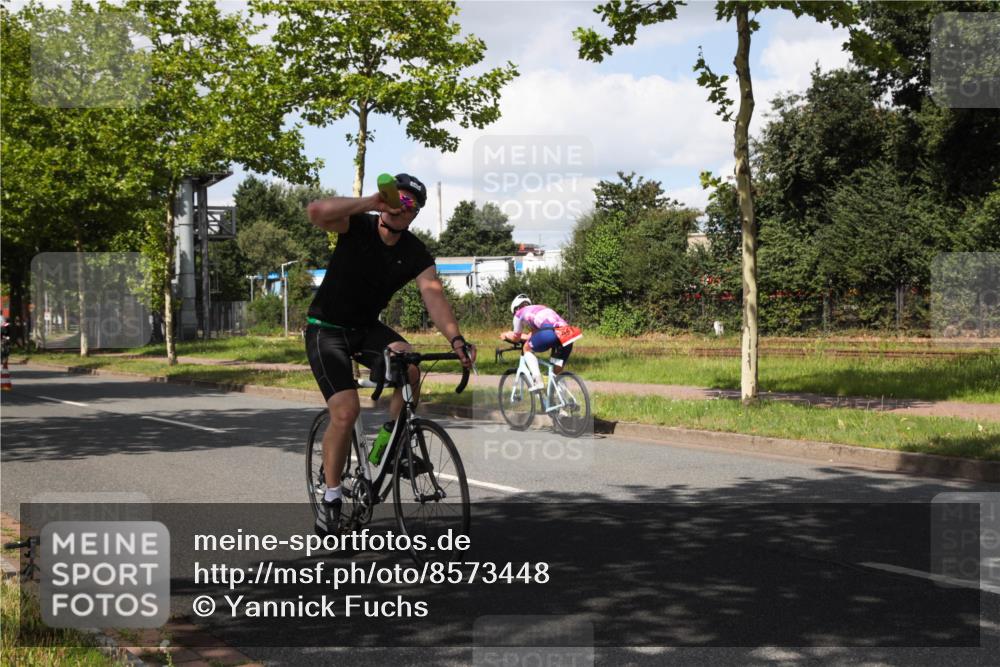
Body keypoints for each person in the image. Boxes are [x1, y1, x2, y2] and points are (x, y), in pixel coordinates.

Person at [305, 173, 476, 537]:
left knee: (411, 366)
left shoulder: (414, 251)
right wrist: (370, 202)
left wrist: (456, 339)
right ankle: (332, 498)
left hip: (366, 328)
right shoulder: (357, 225)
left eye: (409, 204)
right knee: (346, 411)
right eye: (394, 198)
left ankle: (388, 447)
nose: (400, 206)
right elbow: (316, 211)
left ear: (415, 214)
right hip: (326, 329)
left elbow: (433, 293)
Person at [501, 294, 581, 391]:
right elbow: (532, 336)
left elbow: (516, 338)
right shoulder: (540, 308)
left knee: (526, 348)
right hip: (568, 333)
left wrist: (507, 335)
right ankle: (561, 398)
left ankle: (538, 381)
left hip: (550, 332)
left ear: (516, 309)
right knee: (556, 373)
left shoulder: (518, 313)